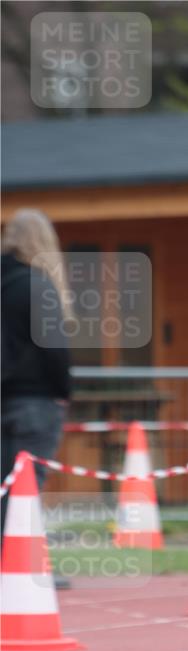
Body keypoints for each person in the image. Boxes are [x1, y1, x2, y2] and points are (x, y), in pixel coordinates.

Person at [1, 210, 73, 558]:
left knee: (5, 487)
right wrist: (63, 392)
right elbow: (53, 347)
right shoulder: (38, 283)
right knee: (28, 486)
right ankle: (25, 567)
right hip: (34, 399)